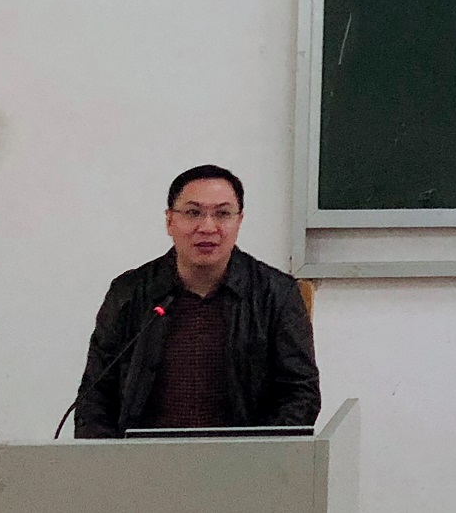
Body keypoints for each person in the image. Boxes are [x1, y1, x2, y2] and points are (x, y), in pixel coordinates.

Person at [72, 164, 320, 437]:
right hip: (143, 458)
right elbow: (94, 398)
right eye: (193, 213)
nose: (208, 227)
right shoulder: (130, 292)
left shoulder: (276, 294)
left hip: (242, 458)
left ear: (239, 221)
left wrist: (255, 454)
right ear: (170, 221)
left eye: (222, 214)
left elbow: (300, 394)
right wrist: (110, 458)